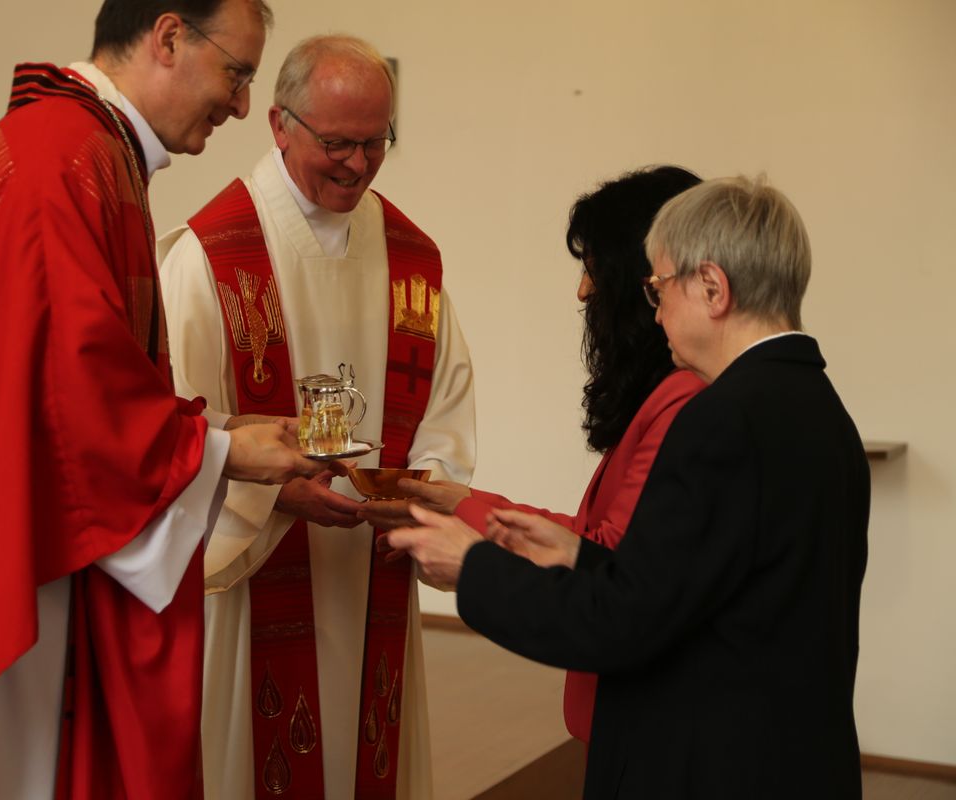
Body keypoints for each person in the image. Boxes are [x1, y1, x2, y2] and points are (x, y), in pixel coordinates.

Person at [0, 2, 330, 798]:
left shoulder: (79, 149)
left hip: (17, 520)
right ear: (170, 37)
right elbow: (73, 394)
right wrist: (224, 452)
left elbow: (75, 375)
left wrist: (213, 431)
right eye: (237, 73)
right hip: (14, 552)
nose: (243, 103)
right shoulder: (61, 160)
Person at [389, 176, 869, 798]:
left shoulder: (722, 420)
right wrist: (578, 554)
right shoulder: (815, 403)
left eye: (659, 287)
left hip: (711, 766)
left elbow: (622, 626)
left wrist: (473, 566)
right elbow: (706, 585)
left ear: (712, 288)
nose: (656, 309)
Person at [158, 35, 476, 800]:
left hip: (372, 577)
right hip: (254, 579)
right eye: (336, 143)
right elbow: (171, 427)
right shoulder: (211, 257)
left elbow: (445, 402)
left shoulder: (410, 257)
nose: (358, 165)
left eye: (376, 143)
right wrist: (272, 492)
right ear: (278, 124)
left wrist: (418, 485)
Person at [401, 166, 705, 748]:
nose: (583, 292)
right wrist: (463, 505)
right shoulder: (667, 394)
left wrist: (472, 566)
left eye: (592, 269)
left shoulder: (683, 397)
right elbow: (593, 540)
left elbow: (609, 569)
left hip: (641, 722)